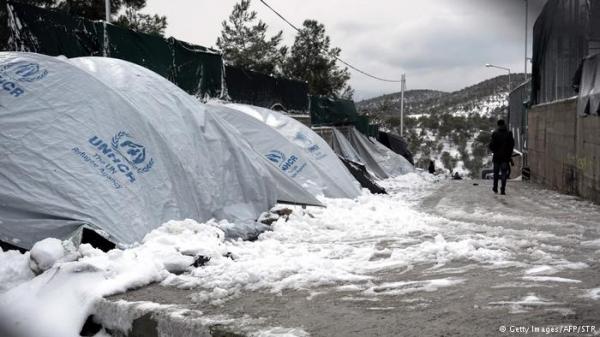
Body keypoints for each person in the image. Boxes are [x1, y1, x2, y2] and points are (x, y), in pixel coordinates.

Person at [488, 119, 515, 195]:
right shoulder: (509, 133)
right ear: (504, 124)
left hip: (497, 157)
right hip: (505, 158)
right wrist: (509, 156)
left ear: (498, 125)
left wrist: (494, 151)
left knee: (496, 173)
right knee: (504, 173)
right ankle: (502, 189)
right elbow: (511, 145)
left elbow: (491, 145)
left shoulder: (495, 134)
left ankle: (495, 188)